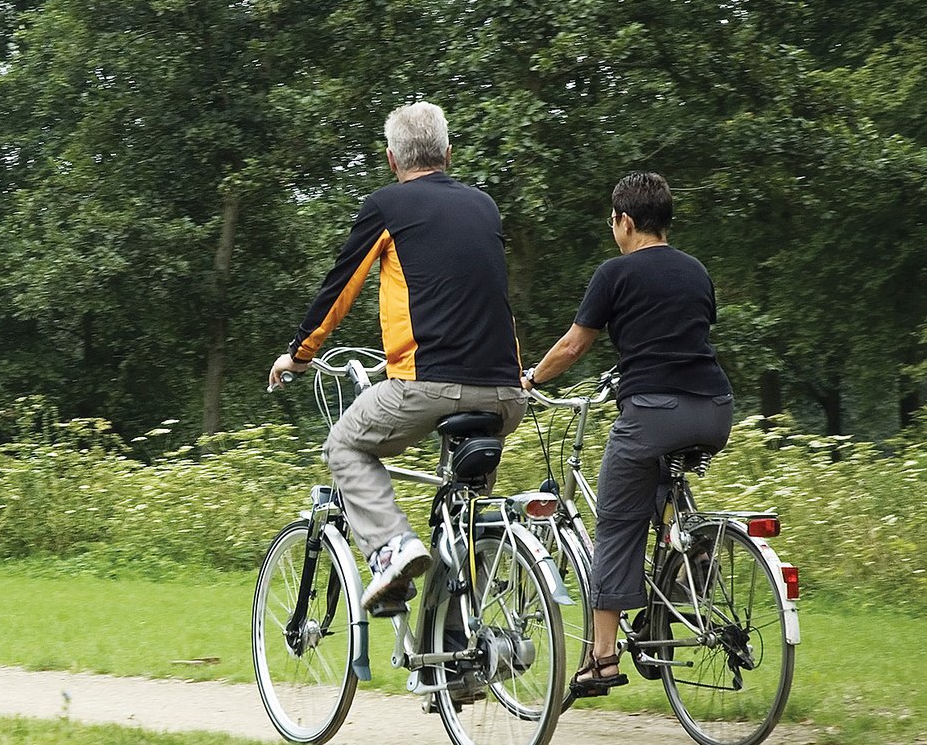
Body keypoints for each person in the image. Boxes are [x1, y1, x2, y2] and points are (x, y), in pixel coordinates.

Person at [268, 101, 526, 616]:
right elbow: (468, 296)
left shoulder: (389, 206)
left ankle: (390, 546)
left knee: (344, 445)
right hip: (506, 392)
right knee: (463, 517)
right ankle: (457, 660)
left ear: (391, 160)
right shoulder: (485, 206)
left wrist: (299, 353)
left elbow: (340, 288)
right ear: (448, 154)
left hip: (428, 385)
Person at [521, 171, 733, 695]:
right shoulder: (697, 270)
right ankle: (689, 563)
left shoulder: (615, 273)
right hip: (715, 408)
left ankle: (602, 658)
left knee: (616, 525)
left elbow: (574, 345)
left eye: (612, 219)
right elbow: (686, 333)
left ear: (627, 221)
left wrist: (530, 378)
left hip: (653, 411)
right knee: (660, 489)